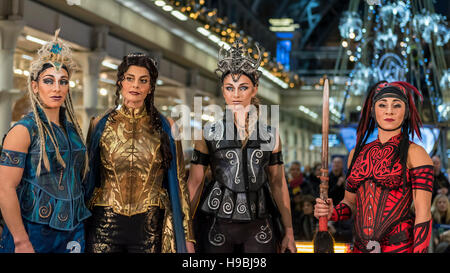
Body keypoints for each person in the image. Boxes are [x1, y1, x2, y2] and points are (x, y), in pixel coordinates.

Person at [187, 40, 296, 253]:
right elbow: (195, 183)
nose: (236, 94)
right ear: (223, 91)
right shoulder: (207, 132)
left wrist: (289, 232)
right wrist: (186, 232)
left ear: (255, 90)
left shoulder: (270, 135)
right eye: (230, 88)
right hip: (216, 222)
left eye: (243, 87)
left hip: (260, 223)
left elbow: (278, 183)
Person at [84, 53, 195, 253]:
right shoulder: (99, 124)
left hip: (149, 226)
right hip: (104, 224)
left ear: (150, 87)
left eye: (143, 81)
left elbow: (179, 183)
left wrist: (187, 236)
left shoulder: (167, 127)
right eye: (130, 79)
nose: (135, 85)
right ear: (120, 83)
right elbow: (87, 176)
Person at [314, 81, 434, 253]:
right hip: (359, 248)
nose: (389, 111)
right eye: (382, 105)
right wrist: (331, 212)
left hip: (399, 248)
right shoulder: (357, 153)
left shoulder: (416, 153)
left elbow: (423, 215)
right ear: (372, 111)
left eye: (397, 105)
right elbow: (350, 203)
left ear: (406, 112)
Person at [0, 29, 90, 253]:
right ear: (34, 86)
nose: (56, 88)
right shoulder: (22, 131)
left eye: (63, 82)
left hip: (74, 231)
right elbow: (5, 188)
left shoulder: (73, 131)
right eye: (49, 81)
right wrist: (21, 241)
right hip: (33, 232)